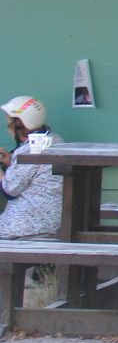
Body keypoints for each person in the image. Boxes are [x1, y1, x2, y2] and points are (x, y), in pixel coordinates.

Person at [0, 96, 63, 239]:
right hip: (53, 220)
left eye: (10, 122)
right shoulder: (55, 140)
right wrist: (11, 161)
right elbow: (35, 171)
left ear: (20, 124)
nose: (8, 126)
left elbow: (9, 190)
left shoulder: (28, 150)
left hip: (27, 225)